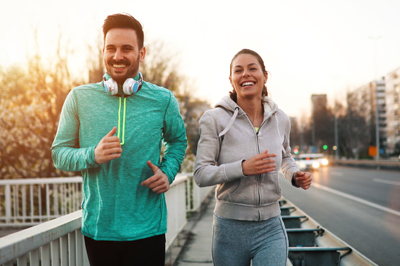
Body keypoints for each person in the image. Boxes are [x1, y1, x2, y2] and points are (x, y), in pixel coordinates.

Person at [51, 13, 187, 266]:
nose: (117, 56)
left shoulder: (163, 99)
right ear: (103, 50)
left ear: (141, 53)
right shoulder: (78, 98)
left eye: (127, 48)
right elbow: (59, 154)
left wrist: (167, 172)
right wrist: (93, 155)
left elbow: (178, 141)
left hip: (149, 230)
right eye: (111, 48)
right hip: (99, 230)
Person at [194, 48, 312, 266]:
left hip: (270, 226)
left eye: (252, 68)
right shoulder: (214, 119)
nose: (245, 74)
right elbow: (201, 174)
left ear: (265, 76)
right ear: (231, 80)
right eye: (238, 71)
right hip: (229, 228)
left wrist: (295, 175)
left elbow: (285, 157)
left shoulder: (281, 119)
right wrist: (242, 168)